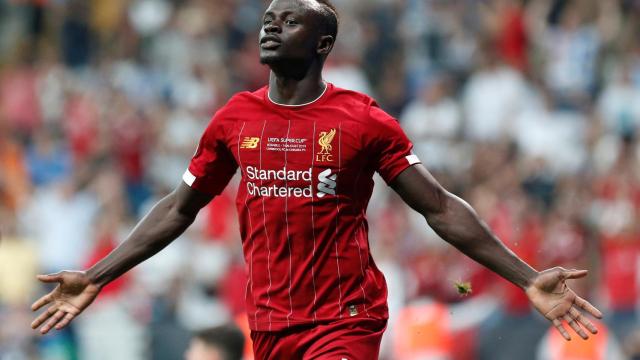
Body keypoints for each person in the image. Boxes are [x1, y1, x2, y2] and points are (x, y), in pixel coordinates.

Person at [31, 0, 603, 358]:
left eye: (288, 20)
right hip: (271, 323)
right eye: (266, 19)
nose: (270, 27)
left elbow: (440, 208)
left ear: (323, 43)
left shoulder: (363, 120)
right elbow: (180, 207)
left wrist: (527, 277)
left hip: (345, 318)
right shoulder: (234, 118)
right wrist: (98, 276)